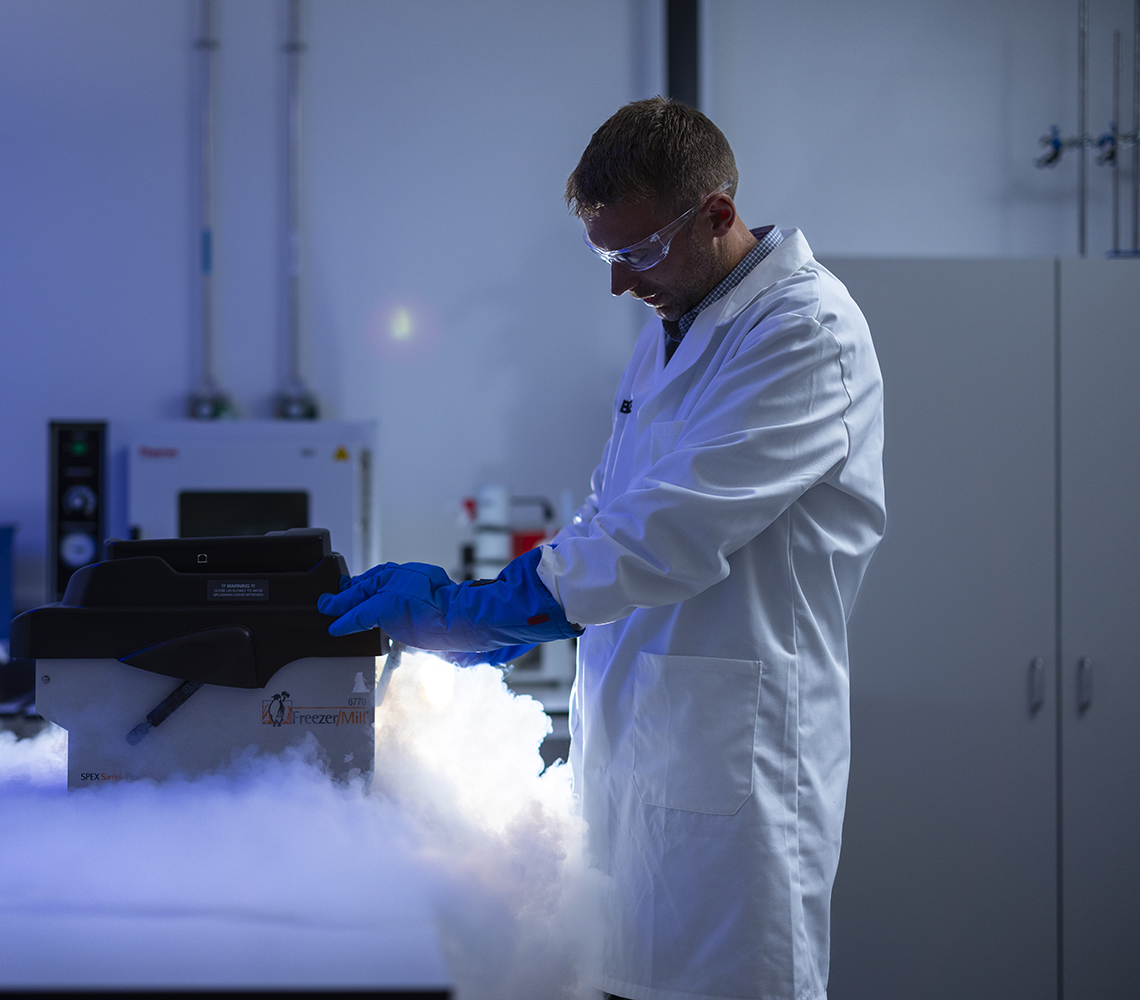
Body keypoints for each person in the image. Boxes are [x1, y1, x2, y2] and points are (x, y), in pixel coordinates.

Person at [319, 97, 885, 1000]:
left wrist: (490, 609)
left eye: (636, 253)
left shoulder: (803, 334)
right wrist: (497, 603)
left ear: (717, 214)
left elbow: (673, 530)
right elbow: (612, 514)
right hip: (639, 753)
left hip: (738, 784)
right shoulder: (674, 331)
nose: (620, 285)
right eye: (605, 257)